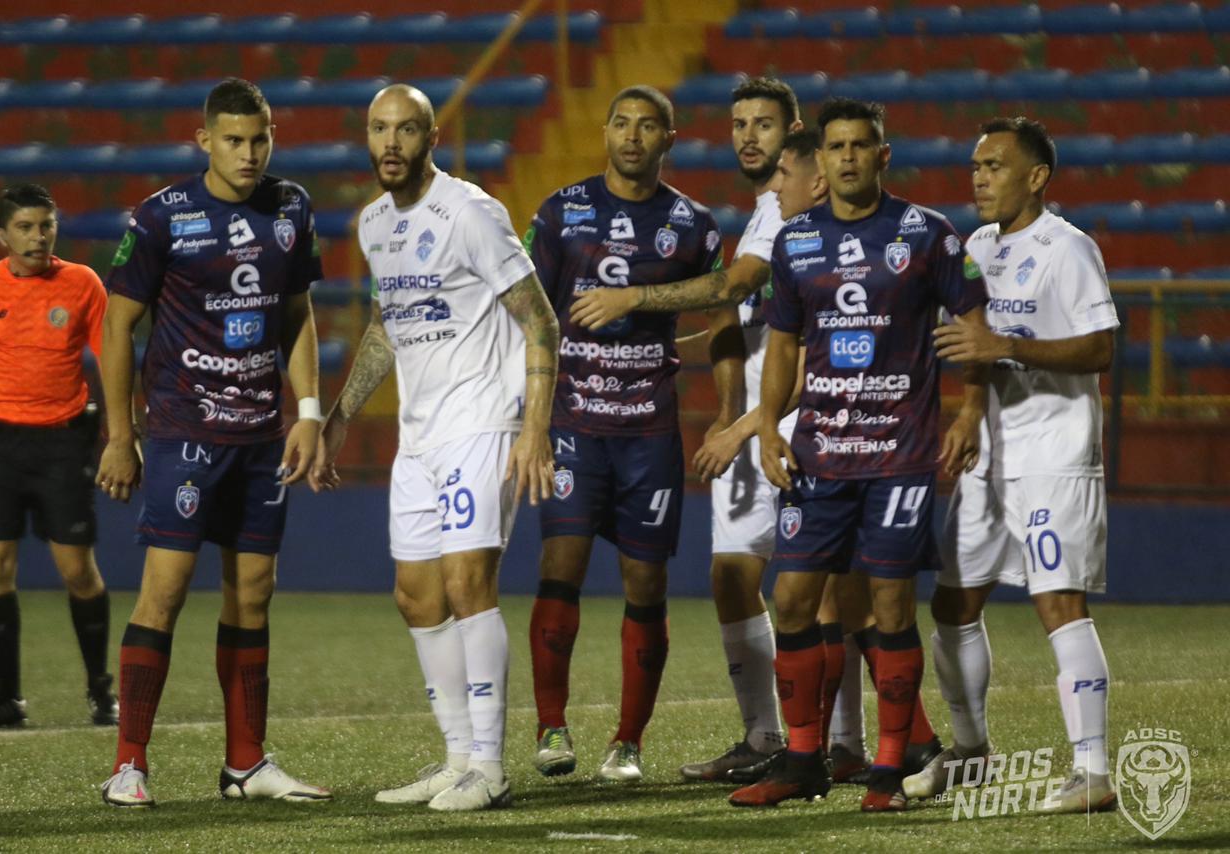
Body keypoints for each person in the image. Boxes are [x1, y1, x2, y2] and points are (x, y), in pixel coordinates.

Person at [725, 97, 990, 812]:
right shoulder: (794, 239)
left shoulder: (925, 235)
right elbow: (784, 343)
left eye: (859, 145)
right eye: (835, 145)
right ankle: (803, 760)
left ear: (882, 155)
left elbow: (975, 324)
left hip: (899, 456)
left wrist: (968, 411)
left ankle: (888, 769)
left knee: (888, 602)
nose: (845, 156)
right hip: (820, 452)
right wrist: (771, 427)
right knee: (790, 597)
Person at [310, 83, 558, 812]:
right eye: (378, 129)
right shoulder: (374, 223)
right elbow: (390, 323)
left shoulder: (472, 213)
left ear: (432, 137)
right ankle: (455, 758)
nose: (390, 143)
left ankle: (489, 764)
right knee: (415, 597)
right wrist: (340, 412)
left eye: (405, 130)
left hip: (482, 420)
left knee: (465, 584)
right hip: (418, 434)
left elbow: (540, 322)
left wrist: (534, 426)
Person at [97, 78, 331, 807]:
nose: (249, 153)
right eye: (234, 140)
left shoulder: (291, 207)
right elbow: (116, 326)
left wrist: (310, 411)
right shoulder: (163, 216)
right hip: (183, 430)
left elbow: (297, 314)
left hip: (262, 435)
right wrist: (119, 435)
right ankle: (129, 764)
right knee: (163, 592)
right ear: (205, 141)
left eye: (260, 138)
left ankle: (246, 764)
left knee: (253, 594)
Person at [905, 117, 1118, 814]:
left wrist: (1008, 347)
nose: (979, 177)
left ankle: (1092, 771)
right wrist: (967, 414)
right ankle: (972, 751)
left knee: (1057, 603)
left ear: (1035, 177)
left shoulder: (1069, 249)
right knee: (952, 601)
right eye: (975, 165)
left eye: (995, 165)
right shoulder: (974, 249)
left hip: (1055, 452)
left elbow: (1098, 350)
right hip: (990, 457)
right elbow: (972, 349)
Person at [525, 85, 725, 783]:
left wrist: (641, 300)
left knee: (645, 581)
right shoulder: (560, 213)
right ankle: (551, 725)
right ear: (604, 131)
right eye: (620, 123)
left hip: (648, 428)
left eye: (647, 126)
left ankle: (628, 741)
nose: (632, 136)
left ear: (669, 138)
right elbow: (533, 320)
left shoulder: (693, 225)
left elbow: (725, 295)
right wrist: (532, 422)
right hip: (575, 420)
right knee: (562, 564)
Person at [0, 183, 117, 729]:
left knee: (77, 569)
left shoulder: (82, 284)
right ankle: (7, 698)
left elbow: (110, 357)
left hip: (62, 442)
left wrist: (122, 432)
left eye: (45, 225)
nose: (38, 236)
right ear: (2, 236)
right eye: (25, 227)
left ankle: (100, 690)